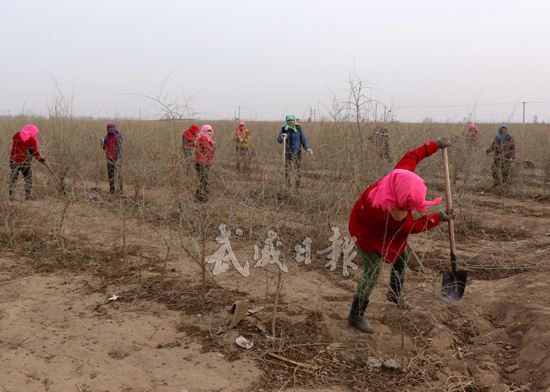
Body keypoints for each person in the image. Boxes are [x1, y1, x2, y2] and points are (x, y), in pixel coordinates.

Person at [347, 138, 455, 334]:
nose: (410, 209)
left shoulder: (400, 177)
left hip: (386, 230)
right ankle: (356, 314)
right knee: (373, 270)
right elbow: (412, 226)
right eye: (408, 207)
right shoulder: (390, 213)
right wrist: (438, 217)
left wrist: (436, 144)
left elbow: (412, 156)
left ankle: (394, 293)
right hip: (365, 230)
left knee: (401, 256)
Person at [276, 115, 313, 191]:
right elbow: (279, 140)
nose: (290, 122)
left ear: (294, 121)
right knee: (287, 170)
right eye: (289, 120)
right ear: (287, 121)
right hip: (287, 153)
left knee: (297, 170)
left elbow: (303, 139)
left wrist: (307, 148)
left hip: (297, 152)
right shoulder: (284, 128)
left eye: (292, 120)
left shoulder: (298, 128)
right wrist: (282, 137)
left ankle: (297, 187)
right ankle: (287, 186)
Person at [9, 124, 45, 200]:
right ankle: (28, 196)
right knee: (28, 178)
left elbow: (15, 141)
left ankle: (11, 196)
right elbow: (35, 152)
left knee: (13, 178)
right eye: (36, 132)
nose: (36, 134)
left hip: (13, 161)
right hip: (24, 162)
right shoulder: (32, 140)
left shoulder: (16, 135)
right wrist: (41, 159)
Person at [194, 125, 216, 203]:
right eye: (207, 131)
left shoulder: (208, 139)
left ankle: (201, 196)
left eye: (210, 131)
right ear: (204, 131)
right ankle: (200, 197)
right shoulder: (202, 139)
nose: (209, 133)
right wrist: (213, 147)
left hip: (205, 162)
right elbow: (208, 149)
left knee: (203, 180)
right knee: (203, 180)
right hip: (201, 162)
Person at [101, 122, 123, 194]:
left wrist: (120, 158)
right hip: (109, 157)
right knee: (110, 174)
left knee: (118, 174)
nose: (111, 129)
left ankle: (120, 190)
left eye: (112, 128)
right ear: (107, 129)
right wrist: (102, 143)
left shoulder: (118, 136)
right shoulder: (106, 137)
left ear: (114, 128)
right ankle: (112, 189)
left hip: (117, 157)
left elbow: (121, 147)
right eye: (109, 128)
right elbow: (104, 148)